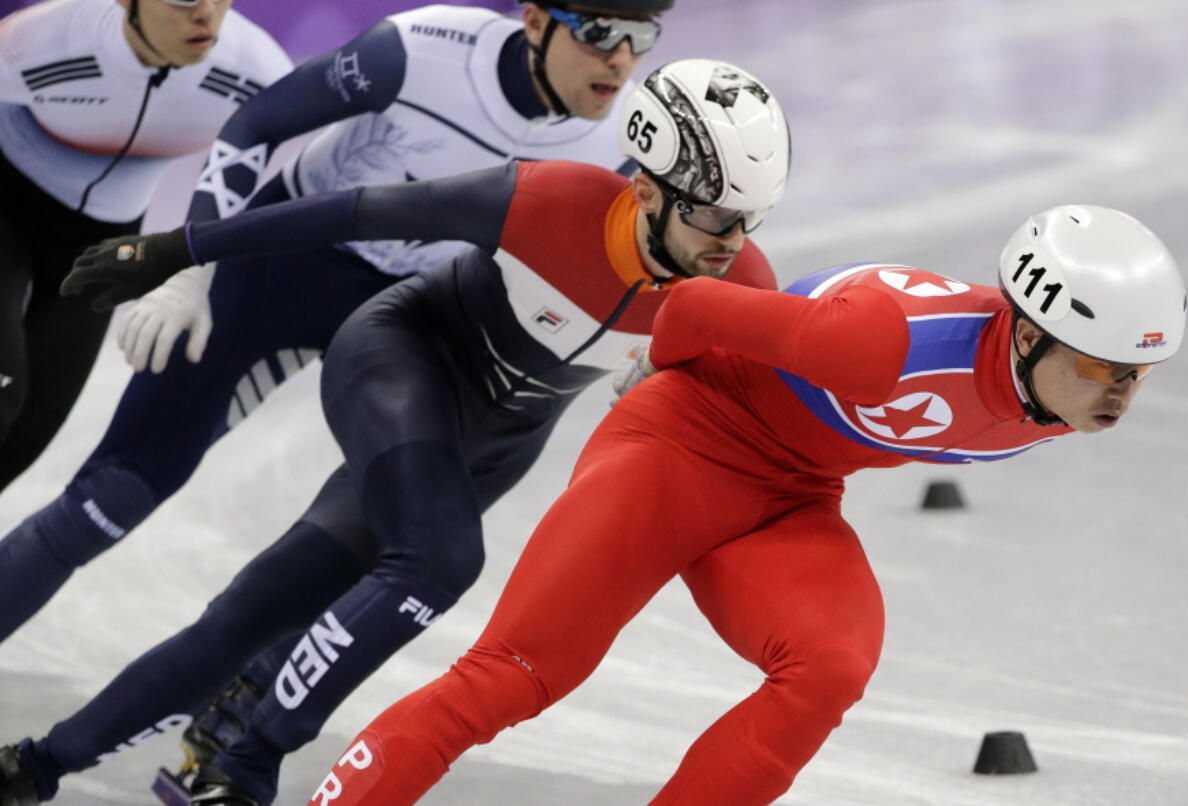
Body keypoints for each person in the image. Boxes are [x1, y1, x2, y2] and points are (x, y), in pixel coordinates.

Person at [0, 57, 790, 806]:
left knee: (256, 611)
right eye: (718, 214)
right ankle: (244, 764)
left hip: (493, 446)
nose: (734, 239)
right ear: (650, 191)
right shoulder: (551, 203)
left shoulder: (743, 283)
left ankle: (34, 767)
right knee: (441, 560)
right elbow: (353, 210)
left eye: (751, 217)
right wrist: (178, 249)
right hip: (401, 359)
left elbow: (786, 414)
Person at [296, 204, 1187, 806]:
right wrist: (653, 374)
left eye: (1140, 374)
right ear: (1029, 331)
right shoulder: (881, 342)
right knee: (516, 675)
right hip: (679, 446)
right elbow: (693, 303)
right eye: (1107, 368)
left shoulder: (1060, 395)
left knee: (831, 667)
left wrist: (1105, 371)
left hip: (792, 495)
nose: (1121, 395)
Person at [0, 0, 669, 640]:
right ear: (534, 21)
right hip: (283, 267)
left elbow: (630, 267)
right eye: (602, 32)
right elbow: (256, 126)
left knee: (381, 535)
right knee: (113, 496)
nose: (621, 58)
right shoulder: (422, 48)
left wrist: (652, 350)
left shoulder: (624, 143)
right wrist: (193, 261)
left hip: (408, 314)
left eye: (642, 38)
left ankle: (240, 704)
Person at [0, 0, 291, 491]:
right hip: (7, 203)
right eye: (182, 0)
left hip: (105, 237)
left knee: (32, 427)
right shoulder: (41, 41)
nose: (207, 16)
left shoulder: (259, 72)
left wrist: (197, 268)